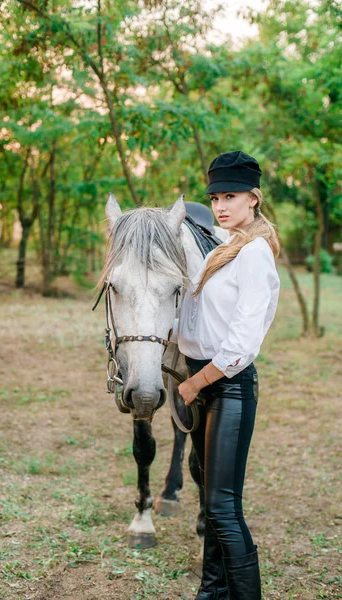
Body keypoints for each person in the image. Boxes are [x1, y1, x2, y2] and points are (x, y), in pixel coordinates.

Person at [177, 151, 280, 600]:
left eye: (231, 196)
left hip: (228, 387)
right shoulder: (224, 246)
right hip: (202, 382)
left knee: (222, 507)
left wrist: (195, 384)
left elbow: (241, 344)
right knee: (209, 501)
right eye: (215, 196)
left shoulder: (254, 253)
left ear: (253, 199)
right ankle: (212, 592)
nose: (221, 204)